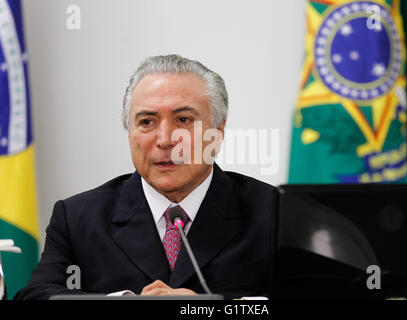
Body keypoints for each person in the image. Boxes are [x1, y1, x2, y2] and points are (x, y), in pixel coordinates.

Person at [14, 55, 275, 300]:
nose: (164, 140)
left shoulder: (273, 212)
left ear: (217, 134)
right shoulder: (78, 217)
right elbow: (36, 295)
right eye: (147, 122)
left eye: (183, 119)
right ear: (130, 134)